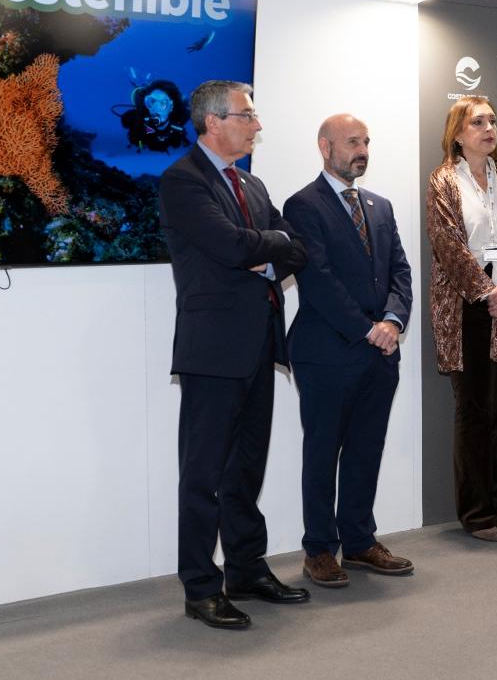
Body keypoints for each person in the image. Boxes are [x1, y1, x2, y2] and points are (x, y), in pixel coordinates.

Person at [158, 80, 309, 630]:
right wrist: (266, 245)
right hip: (212, 351)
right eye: (248, 116)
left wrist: (263, 253)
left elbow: (296, 246)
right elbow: (227, 246)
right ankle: (200, 586)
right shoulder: (182, 180)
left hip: (259, 345)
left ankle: (246, 567)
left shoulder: (253, 182)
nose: (257, 125)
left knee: (246, 469)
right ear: (213, 121)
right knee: (203, 475)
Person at [283, 113, 414, 587]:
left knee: (365, 449)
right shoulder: (302, 205)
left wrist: (394, 321)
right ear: (325, 146)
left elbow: (401, 271)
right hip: (326, 352)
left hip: (379, 352)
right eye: (352, 142)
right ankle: (318, 549)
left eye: (366, 142)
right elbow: (317, 281)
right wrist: (368, 329)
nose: (362, 150)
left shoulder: (380, 206)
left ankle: (359, 541)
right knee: (322, 451)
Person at [426, 96, 497, 542]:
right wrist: (487, 292)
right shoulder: (442, 181)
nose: (488, 128)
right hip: (465, 306)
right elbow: (448, 244)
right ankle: (476, 513)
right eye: (477, 122)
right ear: (457, 133)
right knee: (473, 409)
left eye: (492, 121)